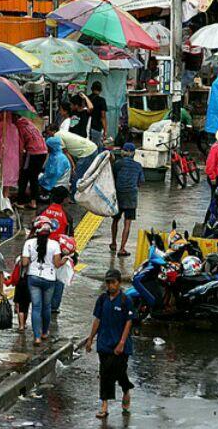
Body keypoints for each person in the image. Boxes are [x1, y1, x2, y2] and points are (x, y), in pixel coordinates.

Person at [85, 268, 135, 419]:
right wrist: (90, 338)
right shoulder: (102, 299)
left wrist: (121, 342)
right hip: (104, 343)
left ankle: (126, 389)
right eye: (108, 283)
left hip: (121, 345)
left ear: (119, 283)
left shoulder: (126, 300)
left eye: (113, 282)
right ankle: (104, 406)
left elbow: (128, 322)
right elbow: (97, 319)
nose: (110, 286)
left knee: (119, 372)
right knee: (105, 373)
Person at [21, 216, 64, 346]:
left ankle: (37, 337)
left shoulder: (29, 243)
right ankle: (45, 332)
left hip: (33, 278)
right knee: (47, 307)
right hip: (50, 279)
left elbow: (24, 262)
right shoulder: (55, 245)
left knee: (36, 307)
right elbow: (57, 264)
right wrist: (65, 260)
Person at [111, 143, 145, 257]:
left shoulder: (118, 164)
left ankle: (113, 243)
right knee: (127, 223)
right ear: (134, 153)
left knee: (115, 220)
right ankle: (122, 248)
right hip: (131, 197)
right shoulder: (138, 166)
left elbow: (112, 178)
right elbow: (141, 182)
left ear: (123, 152)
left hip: (118, 195)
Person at [15, 117, 48, 209]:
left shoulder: (19, 127)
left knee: (24, 176)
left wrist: (20, 162)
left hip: (33, 153)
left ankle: (20, 201)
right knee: (34, 177)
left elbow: (21, 147)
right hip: (43, 152)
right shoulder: (30, 124)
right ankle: (33, 202)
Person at [89, 81, 108, 148]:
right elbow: (103, 116)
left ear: (91, 89)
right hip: (97, 128)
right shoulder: (102, 100)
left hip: (86, 127)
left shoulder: (87, 99)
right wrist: (105, 131)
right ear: (101, 90)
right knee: (96, 148)